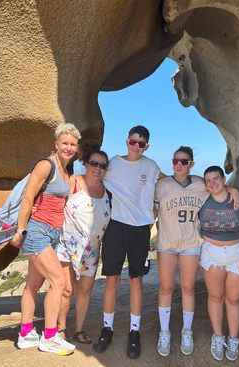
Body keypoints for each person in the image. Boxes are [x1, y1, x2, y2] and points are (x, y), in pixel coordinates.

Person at [154, 147, 239, 358]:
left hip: (191, 243)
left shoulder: (200, 184)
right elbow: (152, 211)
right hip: (167, 242)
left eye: (184, 162)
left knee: (188, 287)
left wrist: (234, 190)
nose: (179, 165)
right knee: (166, 288)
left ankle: (187, 331)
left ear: (191, 164)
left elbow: (218, 186)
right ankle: (164, 332)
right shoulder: (162, 185)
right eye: (176, 161)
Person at [93, 125, 163, 359]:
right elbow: (92, 178)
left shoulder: (151, 166)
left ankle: (134, 332)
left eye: (140, 144)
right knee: (111, 280)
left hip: (141, 230)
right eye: (132, 142)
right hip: (116, 227)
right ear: (126, 142)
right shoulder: (112, 163)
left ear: (146, 146)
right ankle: (107, 328)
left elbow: (167, 183)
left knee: (136, 281)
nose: (136, 147)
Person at [12, 123, 80, 355]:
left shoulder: (65, 171)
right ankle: (49, 337)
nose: (68, 147)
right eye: (65, 143)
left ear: (76, 148)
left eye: (72, 144)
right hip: (37, 231)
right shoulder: (46, 165)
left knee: (33, 285)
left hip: (53, 234)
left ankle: (25, 333)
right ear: (56, 144)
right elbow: (28, 198)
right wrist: (21, 231)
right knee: (59, 282)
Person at [55, 140, 110, 344]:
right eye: (94, 163)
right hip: (68, 246)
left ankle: (79, 330)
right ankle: (61, 328)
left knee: (85, 290)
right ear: (86, 163)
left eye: (103, 166)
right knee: (67, 288)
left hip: (92, 250)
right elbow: (54, 202)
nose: (98, 168)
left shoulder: (106, 190)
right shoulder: (74, 182)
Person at [199, 165, 239, 362]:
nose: (212, 183)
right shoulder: (202, 200)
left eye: (216, 179)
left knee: (233, 299)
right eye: (208, 180)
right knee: (215, 297)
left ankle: (233, 339)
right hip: (211, 254)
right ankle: (218, 336)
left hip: (238, 254)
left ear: (224, 179)